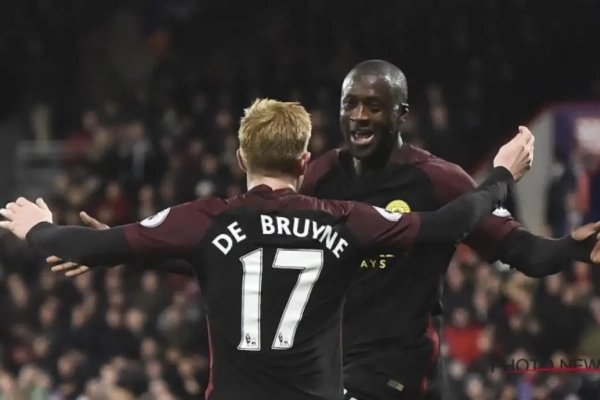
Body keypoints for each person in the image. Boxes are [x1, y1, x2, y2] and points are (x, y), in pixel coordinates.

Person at [0, 99, 537, 400]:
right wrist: (500, 175)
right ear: (304, 162)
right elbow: (449, 225)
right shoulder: (345, 220)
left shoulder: (204, 220)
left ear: (241, 157)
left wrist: (38, 228)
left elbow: (83, 245)